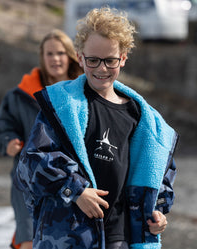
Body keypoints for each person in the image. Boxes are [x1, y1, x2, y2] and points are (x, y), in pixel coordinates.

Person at [15, 7, 178, 249]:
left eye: (110, 60)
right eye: (93, 60)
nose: (101, 69)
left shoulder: (144, 120)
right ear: (80, 57)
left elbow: (157, 177)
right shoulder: (61, 107)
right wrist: (75, 190)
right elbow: (30, 162)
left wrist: (157, 214)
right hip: (67, 237)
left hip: (120, 238)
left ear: (123, 58)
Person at [0, 29, 83, 249]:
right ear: (42, 57)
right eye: (50, 53)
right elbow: (2, 126)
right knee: (28, 239)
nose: (55, 58)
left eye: (61, 53)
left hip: (72, 179)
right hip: (28, 179)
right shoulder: (19, 95)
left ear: (71, 56)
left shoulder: (84, 93)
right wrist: (8, 141)